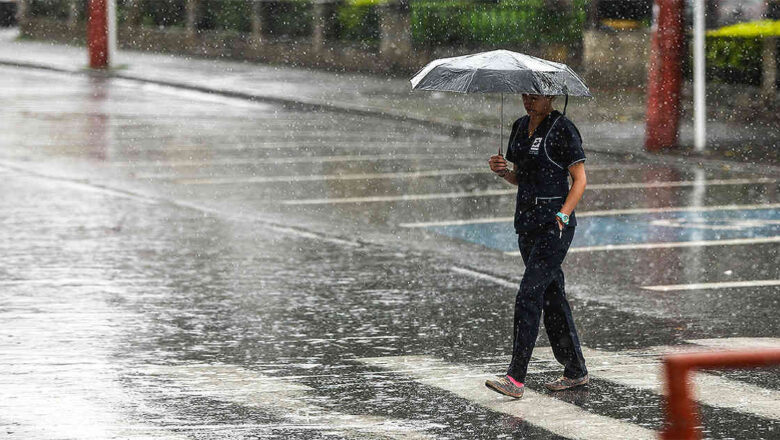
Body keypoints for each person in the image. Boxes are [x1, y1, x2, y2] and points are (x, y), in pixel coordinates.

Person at [484, 94, 589, 399]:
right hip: (526, 224)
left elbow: (580, 180)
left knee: (529, 295)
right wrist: (503, 171)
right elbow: (523, 177)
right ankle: (575, 370)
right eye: (525, 96)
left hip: (554, 227)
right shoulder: (518, 126)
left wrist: (562, 215)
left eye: (536, 97)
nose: (529, 102)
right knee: (552, 296)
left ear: (552, 96)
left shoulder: (563, 128)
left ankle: (515, 377)